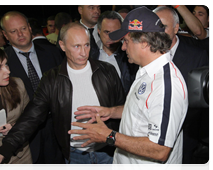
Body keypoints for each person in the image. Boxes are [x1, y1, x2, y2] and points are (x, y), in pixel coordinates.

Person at [0, 22, 125, 170]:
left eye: (86, 45)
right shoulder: (52, 79)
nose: (83, 52)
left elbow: (123, 109)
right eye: (76, 46)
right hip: (74, 156)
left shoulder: (107, 71)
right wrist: (3, 152)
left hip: (108, 151)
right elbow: (31, 117)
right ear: (62, 46)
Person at [68, 7, 188, 170]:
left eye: (126, 41)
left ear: (144, 42)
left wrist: (108, 136)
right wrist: (111, 112)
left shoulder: (167, 85)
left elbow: (160, 150)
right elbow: (142, 110)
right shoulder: (145, 71)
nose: (123, 48)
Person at [0, 11, 64, 170]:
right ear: (5, 35)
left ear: (29, 27)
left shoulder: (53, 53)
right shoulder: (1, 63)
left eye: (23, 28)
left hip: (56, 129)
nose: (20, 34)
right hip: (24, 134)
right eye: (13, 31)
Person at [153, 6, 210, 170]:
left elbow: (204, 102)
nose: (158, 32)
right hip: (150, 135)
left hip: (185, 136)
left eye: (163, 26)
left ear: (176, 28)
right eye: (154, 26)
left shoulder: (196, 56)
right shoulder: (146, 52)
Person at [92, 10, 137, 94]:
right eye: (107, 32)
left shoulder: (131, 58)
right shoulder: (90, 55)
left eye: (115, 32)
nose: (111, 37)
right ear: (99, 31)